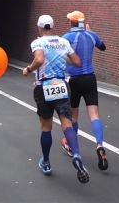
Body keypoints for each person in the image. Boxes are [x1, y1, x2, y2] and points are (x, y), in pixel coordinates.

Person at [23, 15, 89, 183]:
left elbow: (39, 59)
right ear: (52, 26)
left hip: (44, 85)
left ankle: (46, 162)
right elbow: (76, 61)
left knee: (46, 126)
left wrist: (28, 69)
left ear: (39, 27)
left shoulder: (38, 42)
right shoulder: (63, 42)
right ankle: (76, 154)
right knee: (67, 122)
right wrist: (60, 56)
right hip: (61, 84)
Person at [60, 11, 108, 170]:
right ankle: (99, 144)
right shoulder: (91, 35)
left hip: (74, 80)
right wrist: (91, 32)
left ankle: (72, 146)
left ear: (71, 23)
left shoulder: (67, 37)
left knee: (73, 115)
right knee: (94, 114)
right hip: (90, 79)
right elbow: (103, 47)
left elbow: (57, 52)